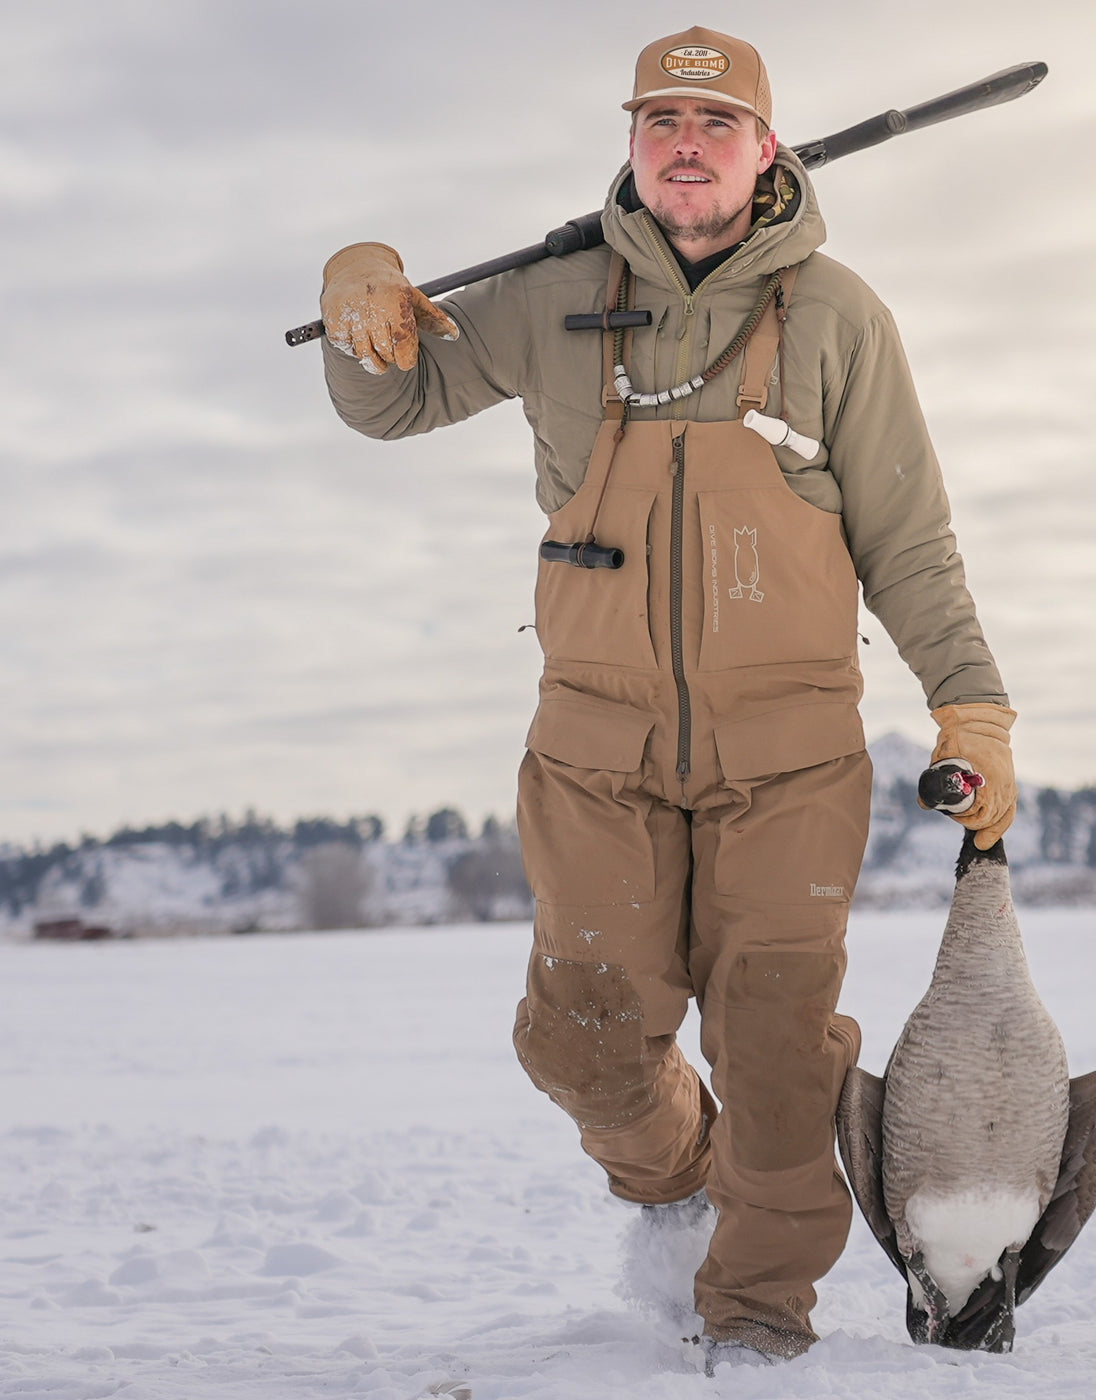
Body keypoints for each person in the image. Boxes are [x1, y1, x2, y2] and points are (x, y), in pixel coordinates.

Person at [317, 25, 1017, 1364]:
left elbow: (909, 539)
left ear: (767, 152)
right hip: (594, 756)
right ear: (632, 145)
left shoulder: (837, 316)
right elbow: (390, 406)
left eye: (716, 124)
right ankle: (673, 1178)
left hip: (793, 763)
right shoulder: (546, 296)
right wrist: (365, 305)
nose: (685, 146)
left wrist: (970, 704)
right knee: (579, 1045)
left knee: (780, 1059)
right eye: (661, 123)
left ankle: (757, 1323)